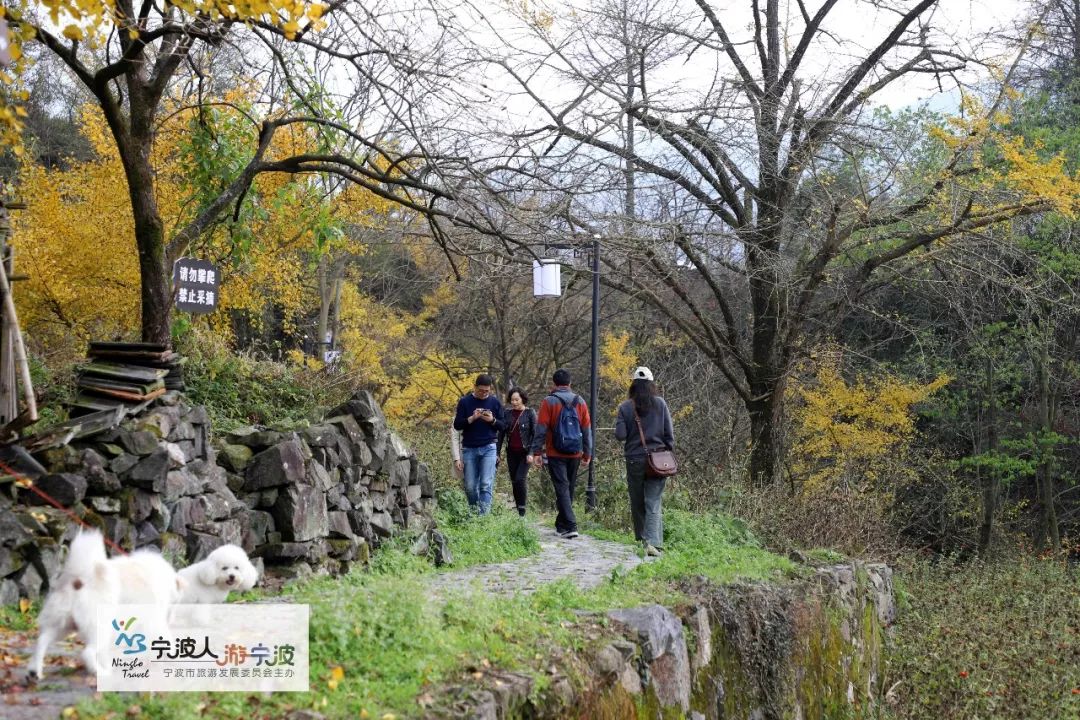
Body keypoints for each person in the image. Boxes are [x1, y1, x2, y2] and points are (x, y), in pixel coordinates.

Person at [614, 366, 675, 556]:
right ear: (651, 384)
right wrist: (667, 451)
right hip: (658, 459)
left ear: (633, 385)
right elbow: (669, 434)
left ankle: (643, 540)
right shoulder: (661, 404)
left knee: (637, 500)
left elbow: (620, 435)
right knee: (653, 501)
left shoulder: (625, 407)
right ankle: (653, 543)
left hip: (634, 459)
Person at [528, 369, 592, 539]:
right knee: (568, 487)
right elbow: (586, 429)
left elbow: (541, 428)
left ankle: (571, 525)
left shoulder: (549, 402)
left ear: (554, 384)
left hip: (555, 451)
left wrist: (537, 452)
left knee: (562, 487)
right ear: (570, 383)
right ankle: (561, 524)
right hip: (575, 452)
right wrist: (587, 452)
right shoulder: (581, 402)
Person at [453, 374, 504, 514]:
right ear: (475, 387)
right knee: (470, 486)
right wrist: (472, 418)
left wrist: (492, 420)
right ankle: (475, 513)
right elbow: (457, 425)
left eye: (487, 391)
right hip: (469, 448)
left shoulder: (495, 402)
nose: (484, 393)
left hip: (489, 447)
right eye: (481, 390)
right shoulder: (465, 402)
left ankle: (483, 519)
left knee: (486, 484)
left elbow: (503, 426)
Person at [497, 388, 537, 517]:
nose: (514, 402)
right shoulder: (507, 413)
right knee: (514, 480)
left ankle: (522, 509)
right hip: (511, 453)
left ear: (522, 399)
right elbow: (501, 434)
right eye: (512, 400)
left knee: (520, 479)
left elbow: (535, 434)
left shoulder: (530, 413)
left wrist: (531, 453)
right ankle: (519, 508)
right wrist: (497, 453)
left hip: (525, 453)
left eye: (516, 400)